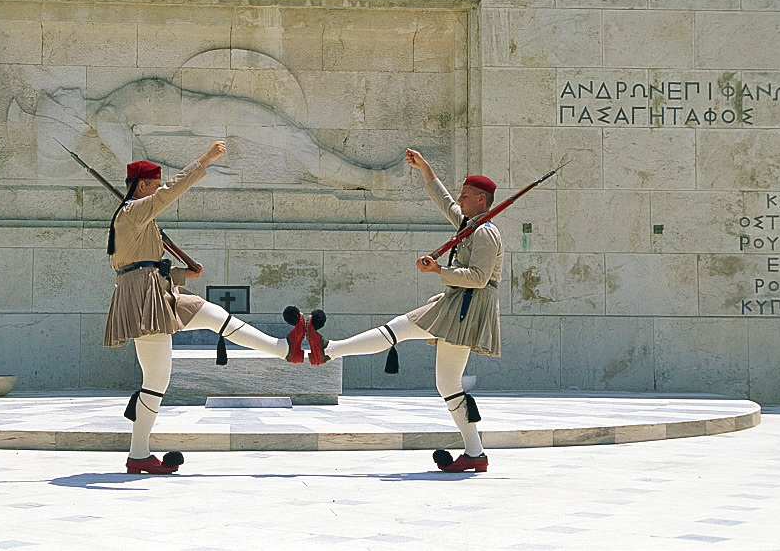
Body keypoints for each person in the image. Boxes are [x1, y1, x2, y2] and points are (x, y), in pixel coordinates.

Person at [297, 148, 503, 473]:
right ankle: (475, 453)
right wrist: (425, 169)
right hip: (459, 305)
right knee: (448, 385)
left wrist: (438, 271)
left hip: (467, 308)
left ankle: (331, 350)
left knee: (400, 328)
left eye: (466, 196)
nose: (460, 200)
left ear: (481, 200)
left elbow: (479, 278)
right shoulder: (468, 225)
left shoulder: (486, 233)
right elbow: (445, 201)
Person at [105, 141, 304, 475]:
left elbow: (145, 263)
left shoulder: (138, 217)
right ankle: (138, 453)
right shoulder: (132, 212)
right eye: (153, 186)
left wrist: (184, 273)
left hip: (156, 291)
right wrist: (205, 160)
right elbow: (168, 197)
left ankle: (283, 348)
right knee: (156, 381)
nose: (158, 192)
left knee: (211, 313)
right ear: (142, 186)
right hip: (143, 300)